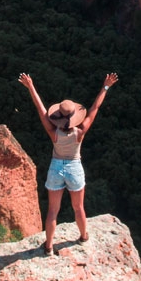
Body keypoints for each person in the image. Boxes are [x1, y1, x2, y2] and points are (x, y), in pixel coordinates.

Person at [17, 71, 119, 255]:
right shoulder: (81, 131)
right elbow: (95, 108)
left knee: (52, 211)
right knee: (78, 207)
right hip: (74, 167)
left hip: (56, 167)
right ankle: (83, 237)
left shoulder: (53, 132)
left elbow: (41, 110)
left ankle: (48, 247)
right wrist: (105, 86)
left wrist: (30, 86)